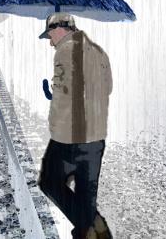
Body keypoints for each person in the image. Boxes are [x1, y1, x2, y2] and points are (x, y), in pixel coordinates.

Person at [37, 12, 113, 239]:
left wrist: (55, 103)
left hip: (70, 137)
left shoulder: (65, 51)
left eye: (50, 35)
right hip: (97, 137)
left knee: (49, 183)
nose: (50, 42)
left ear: (60, 28)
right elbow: (106, 88)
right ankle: (96, 228)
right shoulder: (99, 52)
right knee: (85, 195)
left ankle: (90, 227)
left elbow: (63, 95)